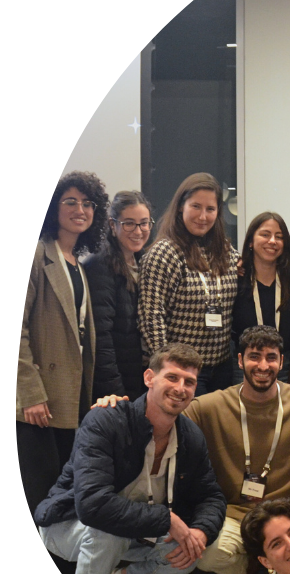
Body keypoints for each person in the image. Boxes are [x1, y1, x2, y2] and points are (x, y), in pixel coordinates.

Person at [34, 344, 226, 574]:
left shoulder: (190, 435)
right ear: (149, 378)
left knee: (193, 548)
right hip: (66, 523)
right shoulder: (106, 419)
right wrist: (167, 519)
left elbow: (211, 496)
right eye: (172, 377)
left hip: (136, 529)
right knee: (107, 535)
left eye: (189, 382)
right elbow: (92, 506)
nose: (180, 388)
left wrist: (200, 531)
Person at [184, 325, 290, 574]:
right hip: (235, 513)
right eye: (254, 356)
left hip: (289, 515)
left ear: (281, 362)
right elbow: (161, 415)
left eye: (271, 357)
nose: (263, 366)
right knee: (206, 553)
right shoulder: (209, 406)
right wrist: (116, 407)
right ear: (240, 360)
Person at [18, 171, 108, 510]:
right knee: (38, 492)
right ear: (53, 206)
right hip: (39, 399)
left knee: (60, 489)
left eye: (87, 203)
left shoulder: (77, 263)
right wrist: (30, 394)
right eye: (70, 202)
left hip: (71, 393)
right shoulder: (36, 255)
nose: (80, 210)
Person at [138, 172, 240, 396]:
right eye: (196, 206)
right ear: (180, 207)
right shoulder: (164, 253)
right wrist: (168, 371)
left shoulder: (225, 251)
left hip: (222, 367)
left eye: (210, 209)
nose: (203, 216)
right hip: (182, 372)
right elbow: (151, 318)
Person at [84, 191, 153, 403]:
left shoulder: (145, 261)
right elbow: (100, 338)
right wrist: (115, 390)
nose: (138, 231)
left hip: (140, 376)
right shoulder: (99, 265)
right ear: (113, 225)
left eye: (144, 223)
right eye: (129, 223)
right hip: (115, 385)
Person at [232, 211, 290, 381]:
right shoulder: (236, 279)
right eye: (265, 234)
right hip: (244, 365)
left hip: (284, 364)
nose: (272, 241)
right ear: (251, 241)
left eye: (279, 237)